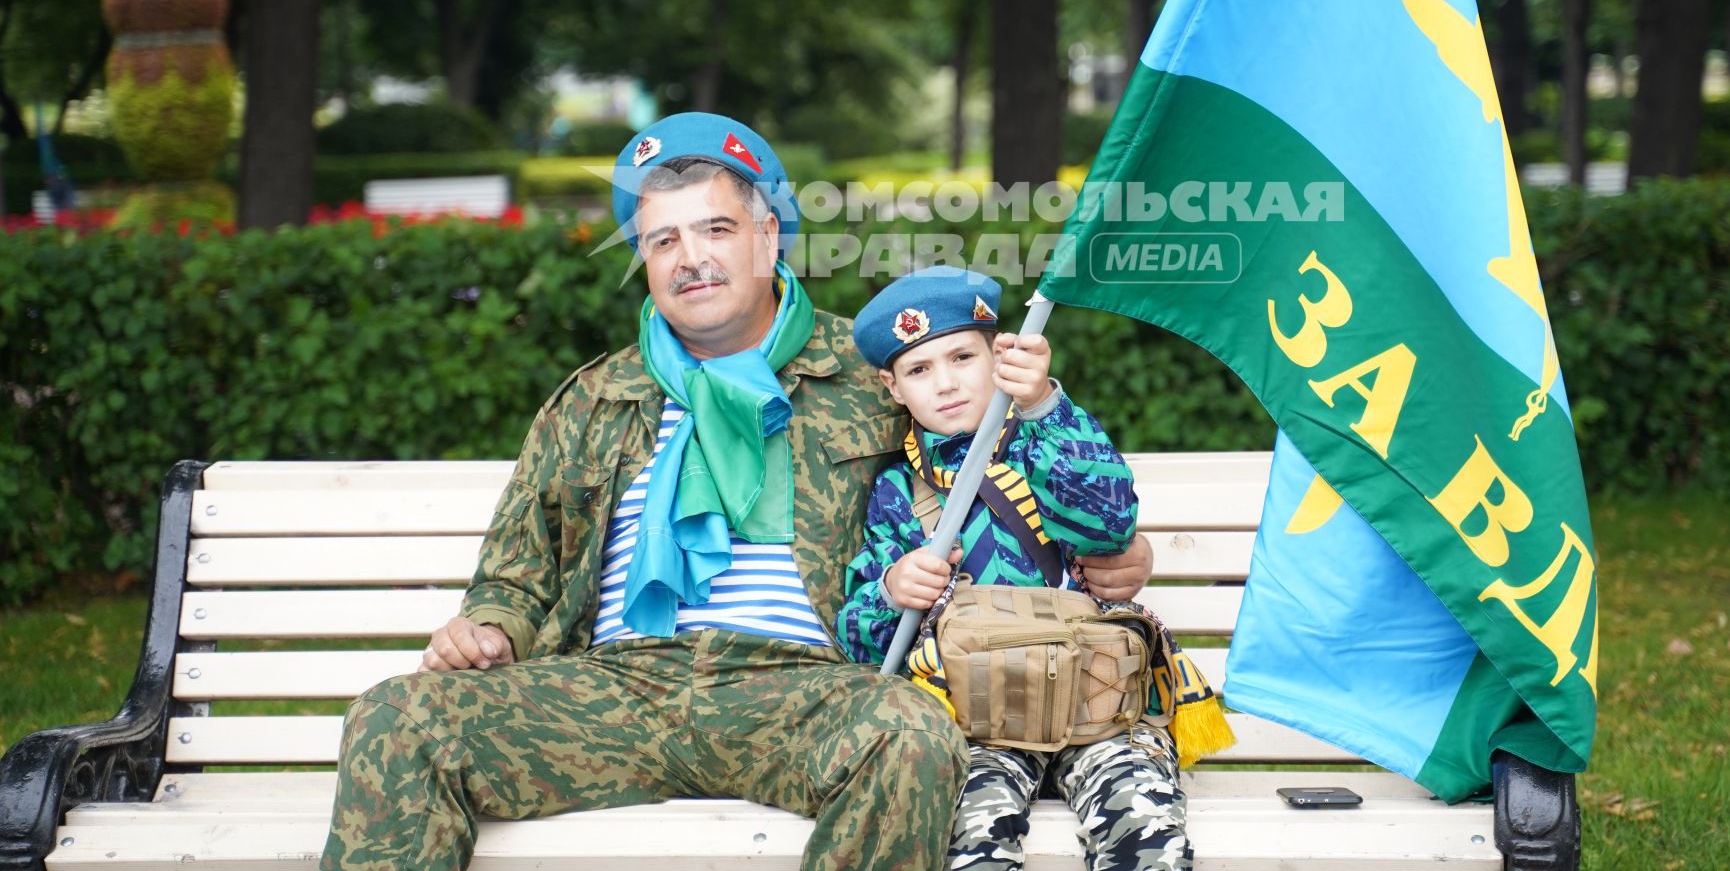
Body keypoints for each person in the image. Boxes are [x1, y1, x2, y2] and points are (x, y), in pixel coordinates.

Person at [319, 113, 1156, 871]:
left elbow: (1001, 465)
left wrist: (1118, 550)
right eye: (662, 242)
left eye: (715, 229)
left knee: (907, 734)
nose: (691, 258)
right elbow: (515, 574)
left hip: (801, 688)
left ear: (766, 238)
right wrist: (490, 628)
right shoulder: (594, 397)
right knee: (400, 719)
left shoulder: (873, 376)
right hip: (612, 690)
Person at [839, 267, 1211, 871]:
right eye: (919, 370)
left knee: (1142, 826)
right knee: (968, 834)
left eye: (962, 356)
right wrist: (891, 588)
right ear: (893, 386)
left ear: (1001, 355)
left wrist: (1044, 406)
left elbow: (1109, 523)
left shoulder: (1047, 441)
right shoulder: (898, 494)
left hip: (1097, 709)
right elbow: (860, 641)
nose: (947, 382)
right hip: (979, 725)